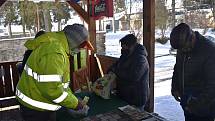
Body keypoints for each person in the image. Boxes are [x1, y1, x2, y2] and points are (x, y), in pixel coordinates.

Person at [16, 24, 94, 121]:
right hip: (36, 109)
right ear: (73, 41)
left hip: (38, 103)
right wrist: (75, 104)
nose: (81, 49)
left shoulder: (58, 46)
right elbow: (52, 90)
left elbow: (60, 84)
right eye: (81, 46)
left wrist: (73, 99)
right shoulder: (54, 52)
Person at [170, 23, 215, 121]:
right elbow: (178, 67)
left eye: (184, 48)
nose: (182, 51)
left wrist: (197, 104)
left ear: (192, 38)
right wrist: (175, 87)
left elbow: (213, 85)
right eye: (180, 49)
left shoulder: (209, 50)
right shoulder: (182, 46)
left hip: (204, 107)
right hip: (187, 99)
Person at [108, 34, 150, 111]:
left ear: (131, 46)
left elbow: (133, 76)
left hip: (136, 97)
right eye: (122, 47)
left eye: (124, 47)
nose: (122, 49)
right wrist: (111, 70)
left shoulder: (141, 59)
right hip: (124, 95)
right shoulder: (125, 55)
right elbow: (115, 65)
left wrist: (116, 71)